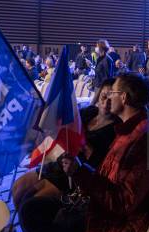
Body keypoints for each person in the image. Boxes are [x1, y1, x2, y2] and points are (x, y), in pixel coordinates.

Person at [19, 73, 149, 232]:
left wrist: (80, 173)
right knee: (31, 209)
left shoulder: (147, 139)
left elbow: (124, 202)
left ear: (123, 98)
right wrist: (80, 170)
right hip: (99, 205)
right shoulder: (130, 130)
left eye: (112, 93)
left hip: (115, 222)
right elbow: (110, 176)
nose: (107, 99)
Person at [12, 78, 118, 210]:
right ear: (99, 94)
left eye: (111, 99)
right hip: (59, 162)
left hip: (75, 175)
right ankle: (26, 226)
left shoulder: (115, 129)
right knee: (18, 187)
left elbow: (102, 163)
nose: (106, 103)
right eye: (104, 96)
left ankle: (33, 226)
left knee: (31, 203)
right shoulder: (89, 111)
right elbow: (67, 124)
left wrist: (85, 145)